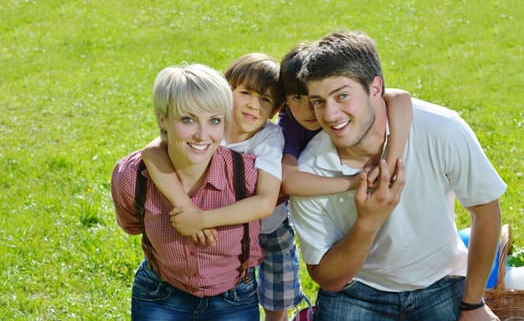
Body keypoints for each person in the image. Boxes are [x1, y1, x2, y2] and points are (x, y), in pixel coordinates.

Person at [289, 30, 506, 321]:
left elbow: (485, 210)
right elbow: (327, 278)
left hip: (441, 284)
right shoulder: (311, 172)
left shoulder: (440, 128)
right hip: (356, 291)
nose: (329, 115)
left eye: (342, 96)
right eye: (318, 101)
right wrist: (368, 222)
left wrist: (473, 303)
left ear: (375, 88)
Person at [141, 53, 301, 321]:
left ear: (275, 110)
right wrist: (186, 209)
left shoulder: (269, 137)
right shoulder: (211, 126)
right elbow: (151, 152)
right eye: (246, 93)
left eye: (265, 99)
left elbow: (265, 202)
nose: (253, 105)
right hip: (225, 230)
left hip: (269, 227)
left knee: (278, 293)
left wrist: (202, 219)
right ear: (225, 92)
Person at [111, 64, 263, 320]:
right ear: (163, 119)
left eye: (214, 120)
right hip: (160, 295)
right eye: (188, 119)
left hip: (233, 298)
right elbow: (132, 225)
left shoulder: (248, 175)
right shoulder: (133, 177)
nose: (203, 135)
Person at [278, 43, 413, 198]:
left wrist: (390, 163)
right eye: (297, 98)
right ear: (284, 101)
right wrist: (354, 182)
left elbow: (400, 98)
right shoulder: (289, 126)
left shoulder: (339, 106)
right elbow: (290, 182)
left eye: (314, 99)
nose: (310, 109)